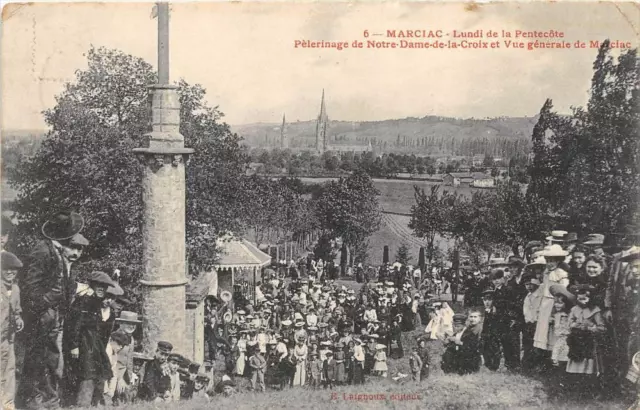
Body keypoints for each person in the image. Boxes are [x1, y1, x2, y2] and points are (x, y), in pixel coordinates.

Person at [19, 211, 89, 409]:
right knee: (37, 360)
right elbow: (30, 287)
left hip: (54, 317)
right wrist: (45, 305)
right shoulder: (43, 250)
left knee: (50, 360)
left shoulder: (59, 252)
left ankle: (49, 401)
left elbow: (62, 288)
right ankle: (34, 401)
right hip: (41, 316)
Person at [62, 271, 118, 407]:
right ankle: (81, 404)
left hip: (93, 345)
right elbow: (74, 324)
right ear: (92, 285)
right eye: (99, 286)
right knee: (87, 374)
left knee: (93, 374)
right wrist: (74, 345)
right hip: (83, 343)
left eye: (104, 287)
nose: (102, 289)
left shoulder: (97, 303)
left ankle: (90, 403)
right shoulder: (84, 301)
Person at [1, 251, 24, 410]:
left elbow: (16, 310)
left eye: (13, 269)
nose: (10, 272)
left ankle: (8, 404)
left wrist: (18, 319)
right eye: (6, 269)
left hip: (9, 338)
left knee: (9, 370)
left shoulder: (15, 289)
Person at [103, 331, 131, 406]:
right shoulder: (106, 351)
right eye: (118, 344)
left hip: (107, 382)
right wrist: (106, 390)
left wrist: (111, 391)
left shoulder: (114, 354)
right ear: (111, 341)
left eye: (122, 345)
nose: (120, 347)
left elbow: (113, 372)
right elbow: (103, 373)